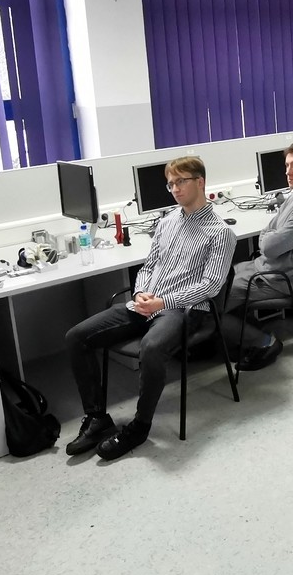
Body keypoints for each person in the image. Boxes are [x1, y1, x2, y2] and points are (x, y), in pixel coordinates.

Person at [64, 157, 235, 461]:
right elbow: (148, 266)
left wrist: (163, 302)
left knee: (152, 347)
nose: (175, 189)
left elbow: (210, 286)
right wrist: (141, 291)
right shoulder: (166, 222)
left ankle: (139, 426)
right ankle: (97, 417)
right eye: (170, 184)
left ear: (200, 182)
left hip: (183, 309)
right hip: (146, 302)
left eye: (181, 181)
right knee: (76, 336)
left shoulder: (220, 233)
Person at [219, 142, 293, 372]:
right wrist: (269, 237)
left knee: (209, 305)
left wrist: (269, 238)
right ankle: (242, 339)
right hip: (262, 267)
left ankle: (266, 342)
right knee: (219, 279)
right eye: (287, 165)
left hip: (277, 279)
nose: (288, 172)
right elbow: (268, 232)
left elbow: (269, 246)